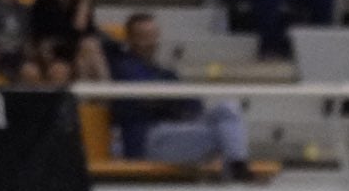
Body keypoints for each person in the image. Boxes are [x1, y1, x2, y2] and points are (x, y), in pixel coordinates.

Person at [106, 13, 254, 175]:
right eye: (143, 37)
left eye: (153, 36)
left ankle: (237, 165)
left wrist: (170, 103)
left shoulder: (164, 73)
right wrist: (171, 103)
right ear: (130, 39)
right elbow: (149, 99)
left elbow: (193, 104)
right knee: (223, 135)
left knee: (228, 108)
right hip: (146, 138)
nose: (150, 43)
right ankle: (238, 169)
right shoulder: (122, 68)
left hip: (176, 127)